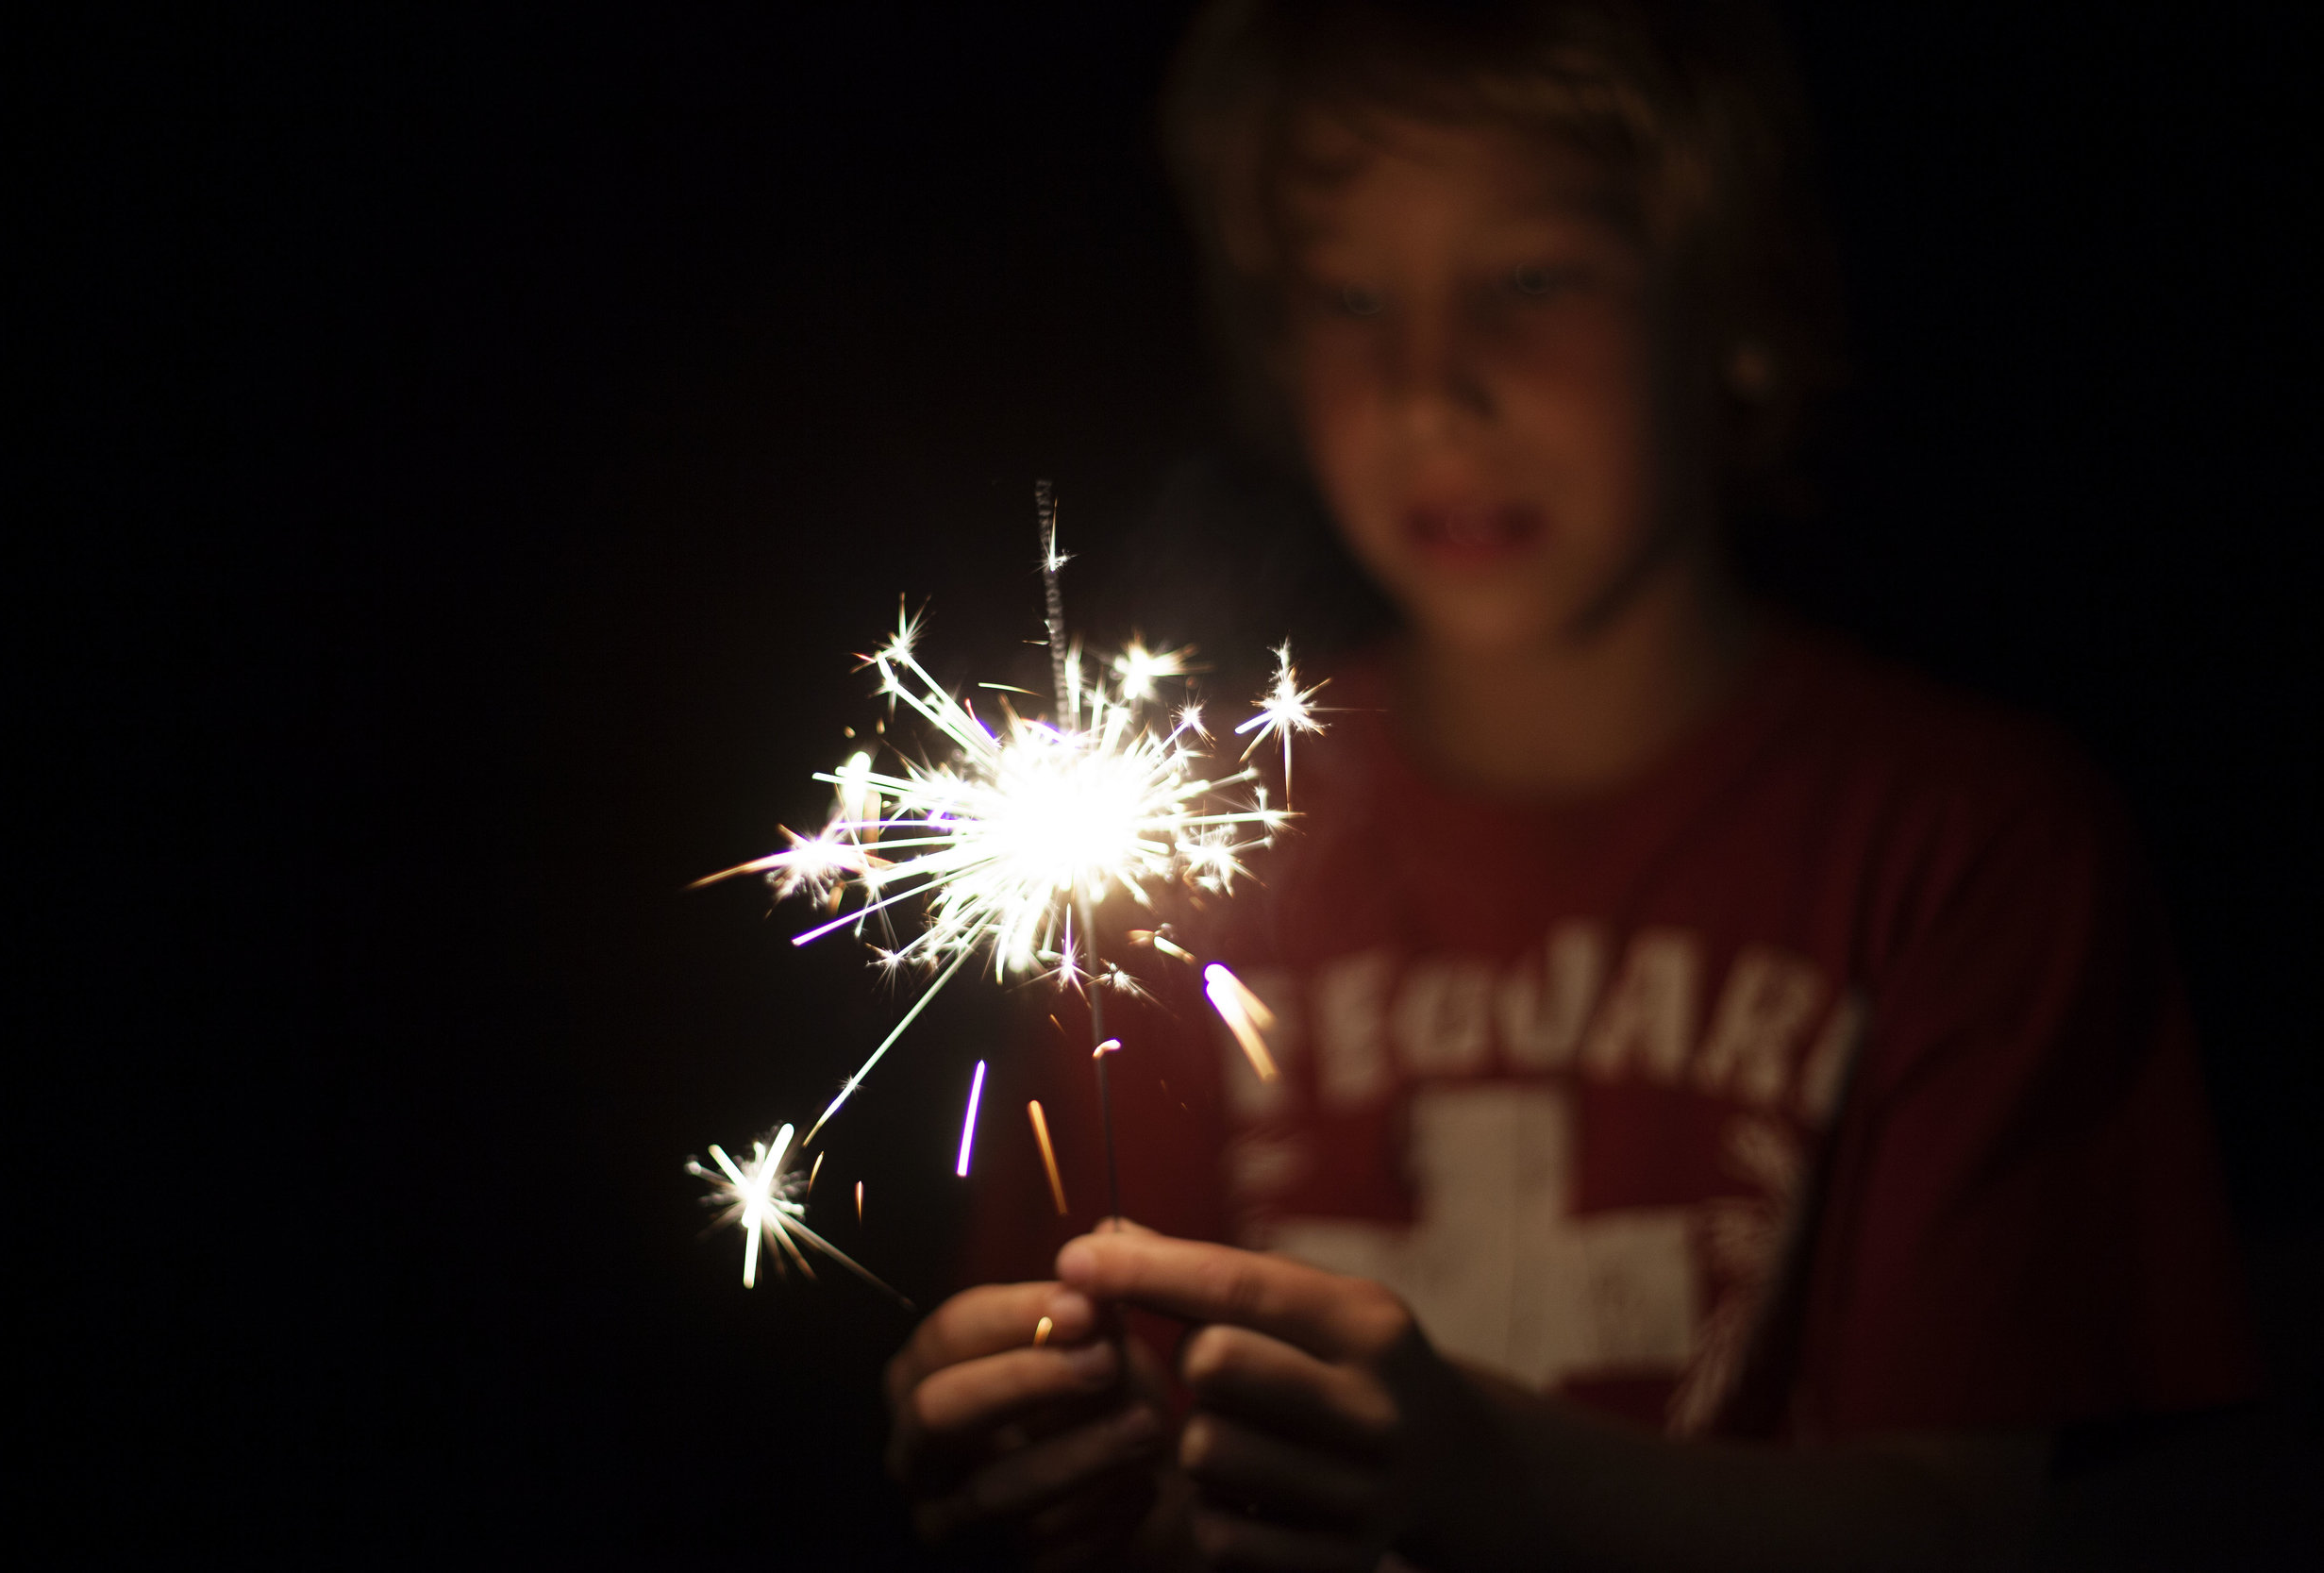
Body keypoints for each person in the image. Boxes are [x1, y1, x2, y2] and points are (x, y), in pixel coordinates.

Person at [882, 3, 2258, 1567]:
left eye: (1530, 280)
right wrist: (1042, 1482)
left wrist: (1497, 1490)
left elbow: (1966, 1531)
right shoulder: (1173, 866)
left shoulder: (1976, 847)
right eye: (1349, 296)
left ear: (1727, 306)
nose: (1431, 392)